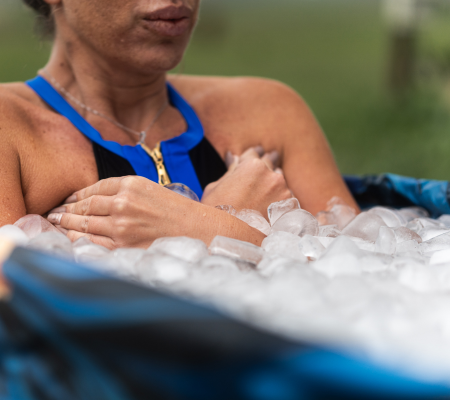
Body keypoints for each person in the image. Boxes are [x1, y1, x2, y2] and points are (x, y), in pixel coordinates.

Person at [0, 0, 358, 249]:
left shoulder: (270, 111)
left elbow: (376, 280)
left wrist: (205, 229)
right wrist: (221, 228)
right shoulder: (11, 129)